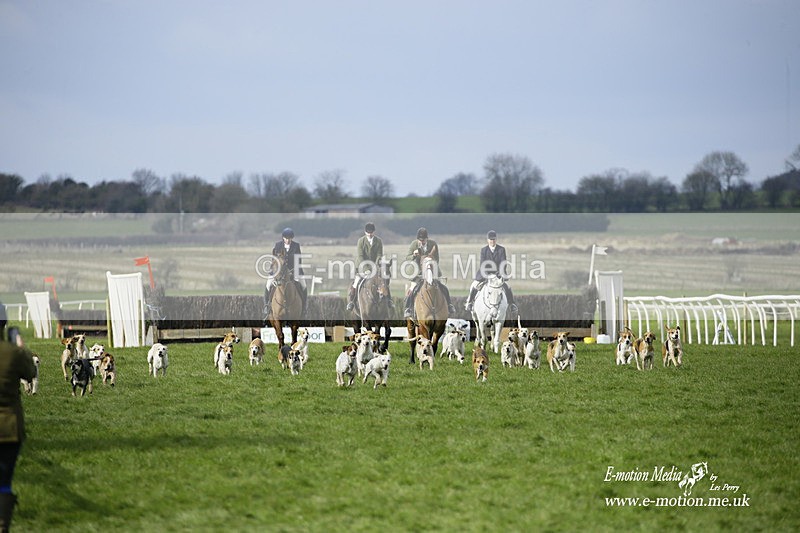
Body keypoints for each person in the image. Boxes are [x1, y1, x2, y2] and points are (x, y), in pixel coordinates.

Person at [0, 322, 36, 533]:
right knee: (4, 481)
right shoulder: (12, 352)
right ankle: (3, 524)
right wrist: (20, 345)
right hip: (9, 427)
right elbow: (30, 372)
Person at [403, 227, 457, 318]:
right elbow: (407, 258)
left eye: (423, 240)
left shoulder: (433, 244)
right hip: (417, 273)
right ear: (417, 239)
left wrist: (431, 268)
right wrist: (414, 254)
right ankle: (408, 308)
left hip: (431, 271)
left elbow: (437, 259)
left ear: (427, 238)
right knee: (412, 289)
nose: (422, 242)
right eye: (420, 240)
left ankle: (449, 305)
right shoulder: (414, 244)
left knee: (443, 287)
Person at [464, 230, 519, 316]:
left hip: (498, 274)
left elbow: (503, 263)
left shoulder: (501, 249)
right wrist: (488, 274)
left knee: (507, 286)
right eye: (490, 240)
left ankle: (512, 304)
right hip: (485, 273)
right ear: (487, 240)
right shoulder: (484, 250)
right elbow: (483, 264)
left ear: (496, 240)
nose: (492, 241)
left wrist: (499, 273)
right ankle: (469, 302)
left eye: (493, 239)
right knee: (474, 285)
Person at [346, 222, 394, 312]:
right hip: (361, 266)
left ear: (374, 232)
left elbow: (379, 254)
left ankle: (389, 301)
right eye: (368, 233)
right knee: (356, 283)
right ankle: (351, 302)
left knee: (383, 282)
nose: (370, 234)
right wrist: (367, 269)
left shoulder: (378, 241)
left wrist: (375, 266)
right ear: (365, 232)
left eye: (371, 232)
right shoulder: (361, 241)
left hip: (375, 266)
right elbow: (360, 256)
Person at [263, 228, 308, 318]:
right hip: (278, 271)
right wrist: (275, 273)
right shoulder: (278, 245)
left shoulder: (296, 246)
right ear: (283, 238)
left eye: (289, 238)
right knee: (268, 285)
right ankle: (266, 307)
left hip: (294, 271)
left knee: (304, 286)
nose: (288, 240)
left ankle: (304, 307)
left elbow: (298, 261)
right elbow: (274, 260)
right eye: (286, 238)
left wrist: (292, 272)